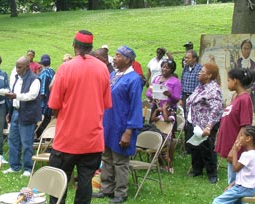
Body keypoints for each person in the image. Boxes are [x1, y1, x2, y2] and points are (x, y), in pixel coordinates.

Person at [48, 30, 112, 204]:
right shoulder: (102, 68)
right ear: (91, 47)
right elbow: (106, 104)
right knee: (85, 186)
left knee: (58, 186)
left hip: (66, 140)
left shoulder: (66, 68)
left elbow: (54, 105)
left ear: (74, 45)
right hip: (92, 140)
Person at [93, 46, 142, 204]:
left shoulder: (133, 79)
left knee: (120, 161)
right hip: (108, 123)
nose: (114, 58)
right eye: (115, 55)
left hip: (122, 126)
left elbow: (135, 107)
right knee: (107, 158)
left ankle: (121, 192)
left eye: (118, 56)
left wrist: (128, 131)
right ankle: (107, 188)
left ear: (128, 60)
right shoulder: (113, 75)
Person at [215, 68, 255, 185]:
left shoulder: (244, 99)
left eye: (228, 80)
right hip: (231, 145)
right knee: (232, 181)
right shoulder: (236, 97)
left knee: (235, 183)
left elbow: (245, 126)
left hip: (237, 149)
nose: (227, 83)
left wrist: (234, 149)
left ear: (236, 81)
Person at [3, 56, 41, 177]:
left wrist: (16, 96)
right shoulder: (16, 78)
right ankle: (14, 166)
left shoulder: (34, 79)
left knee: (26, 142)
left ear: (27, 67)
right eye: (16, 67)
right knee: (13, 140)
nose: (17, 69)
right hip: (15, 112)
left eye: (19, 67)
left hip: (27, 113)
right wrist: (10, 111)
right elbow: (13, 95)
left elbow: (32, 95)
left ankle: (28, 168)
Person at [185, 63, 223, 184]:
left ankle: (212, 174)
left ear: (209, 75)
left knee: (207, 148)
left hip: (206, 124)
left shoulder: (213, 89)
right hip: (194, 122)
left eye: (202, 71)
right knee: (195, 147)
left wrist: (209, 126)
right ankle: (197, 170)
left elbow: (216, 109)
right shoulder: (200, 86)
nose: (199, 73)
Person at [146, 58, 181, 173]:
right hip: (156, 108)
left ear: (172, 70)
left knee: (168, 136)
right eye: (163, 67)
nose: (164, 69)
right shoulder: (156, 79)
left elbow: (177, 99)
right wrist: (152, 96)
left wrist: (169, 94)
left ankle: (169, 163)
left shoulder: (175, 82)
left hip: (168, 110)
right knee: (155, 132)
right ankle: (158, 161)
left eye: (167, 68)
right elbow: (148, 92)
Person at [212, 125, 255, 204]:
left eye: (241, 136)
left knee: (217, 201)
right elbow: (245, 175)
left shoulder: (247, 155)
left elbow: (235, 168)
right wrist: (233, 184)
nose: (239, 138)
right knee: (237, 202)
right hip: (250, 188)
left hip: (243, 188)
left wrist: (235, 151)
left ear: (248, 138)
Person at [181, 50, 202, 152]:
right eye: (185, 58)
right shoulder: (185, 68)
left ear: (194, 59)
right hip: (186, 96)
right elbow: (182, 82)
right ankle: (187, 146)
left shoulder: (199, 69)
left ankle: (195, 145)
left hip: (195, 97)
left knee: (193, 120)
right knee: (186, 120)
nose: (186, 60)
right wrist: (181, 97)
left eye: (188, 58)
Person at [35, 54, 55, 138]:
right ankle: (44, 139)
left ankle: (39, 139)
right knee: (47, 120)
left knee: (41, 122)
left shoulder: (44, 73)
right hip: (51, 103)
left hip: (43, 105)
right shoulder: (53, 72)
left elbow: (42, 92)